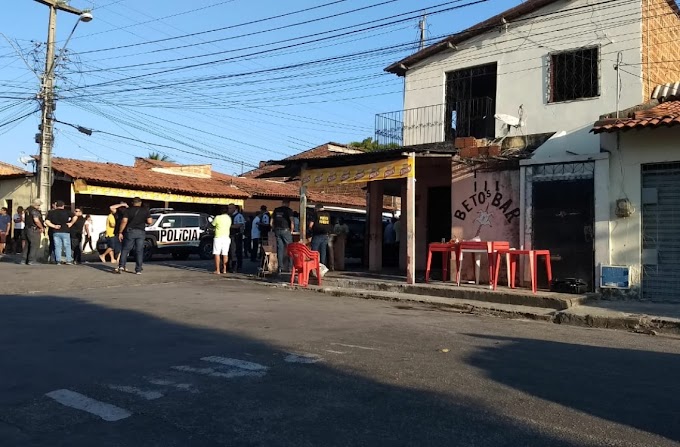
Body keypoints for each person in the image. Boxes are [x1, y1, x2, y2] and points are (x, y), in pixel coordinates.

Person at [115, 197, 152, 274]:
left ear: (132, 203)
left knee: (125, 249)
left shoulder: (128, 210)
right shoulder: (145, 211)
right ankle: (138, 269)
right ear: (140, 203)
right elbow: (149, 221)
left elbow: (124, 221)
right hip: (141, 232)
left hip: (130, 231)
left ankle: (121, 265)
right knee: (139, 250)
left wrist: (120, 232)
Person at [45, 200, 75, 265]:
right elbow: (75, 216)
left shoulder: (51, 212)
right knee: (67, 246)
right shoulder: (67, 212)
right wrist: (71, 223)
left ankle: (58, 260)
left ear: (56, 205)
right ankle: (68, 260)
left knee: (57, 246)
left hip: (56, 231)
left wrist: (54, 226)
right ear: (63, 206)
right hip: (65, 231)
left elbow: (47, 222)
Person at [272, 201, 294, 273]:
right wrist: (292, 230)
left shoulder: (276, 210)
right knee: (290, 248)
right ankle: (290, 267)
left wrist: (274, 228)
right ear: (288, 204)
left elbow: (271, 222)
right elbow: (291, 221)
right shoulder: (289, 210)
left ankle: (280, 267)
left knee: (280, 249)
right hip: (285, 230)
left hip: (277, 230)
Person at [22, 199, 45, 265]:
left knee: (27, 245)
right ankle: (31, 260)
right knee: (34, 244)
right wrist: (41, 227)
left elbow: (23, 218)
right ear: (36, 204)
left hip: (26, 228)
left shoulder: (27, 210)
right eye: (39, 205)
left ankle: (24, 260)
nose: (39, 207)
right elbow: (36, 220)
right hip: (33, 229)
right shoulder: (34, 211)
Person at [211, 206, 232, 274]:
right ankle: (225, 269)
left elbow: (213, 224)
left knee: (217, 253)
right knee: (225, 253)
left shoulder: (217, 217)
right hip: (226, 237)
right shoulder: (229, 218)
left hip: (218, 237)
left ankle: (218, 270)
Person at [228, 203, 245, 272]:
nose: (228, 210)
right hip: (230, 235)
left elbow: (239, 225)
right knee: (230, 251)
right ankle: (230, 266)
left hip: (237, 236)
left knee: (235, 251)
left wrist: (228, 226)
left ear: (234, 208)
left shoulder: (239, 216)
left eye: (230, 208)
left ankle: (237, 266)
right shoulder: (230, 216)